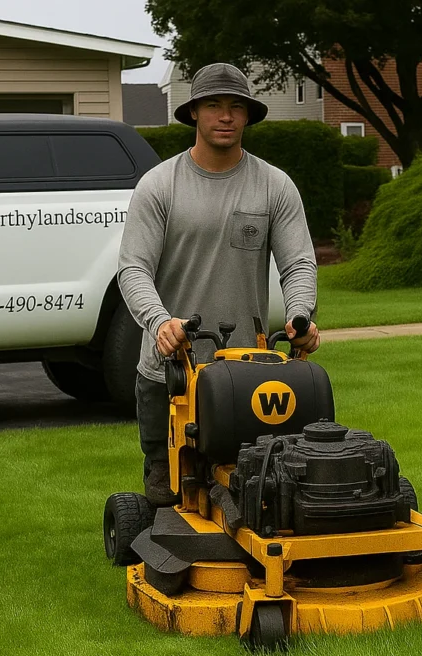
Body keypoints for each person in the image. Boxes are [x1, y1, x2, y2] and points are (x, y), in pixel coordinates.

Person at [118, 62, 319, 506]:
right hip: (170, 377)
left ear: (248, 115)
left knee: (258, 496)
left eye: (235, 106)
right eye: (213, 105)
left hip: (248, 379)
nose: (225, 116)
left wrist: (300, 315)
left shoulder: (274, 186)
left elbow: (299, 264)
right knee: (169, 501)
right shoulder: (159, 186)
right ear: (194, 112)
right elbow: (133, 269)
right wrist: (160, 322)